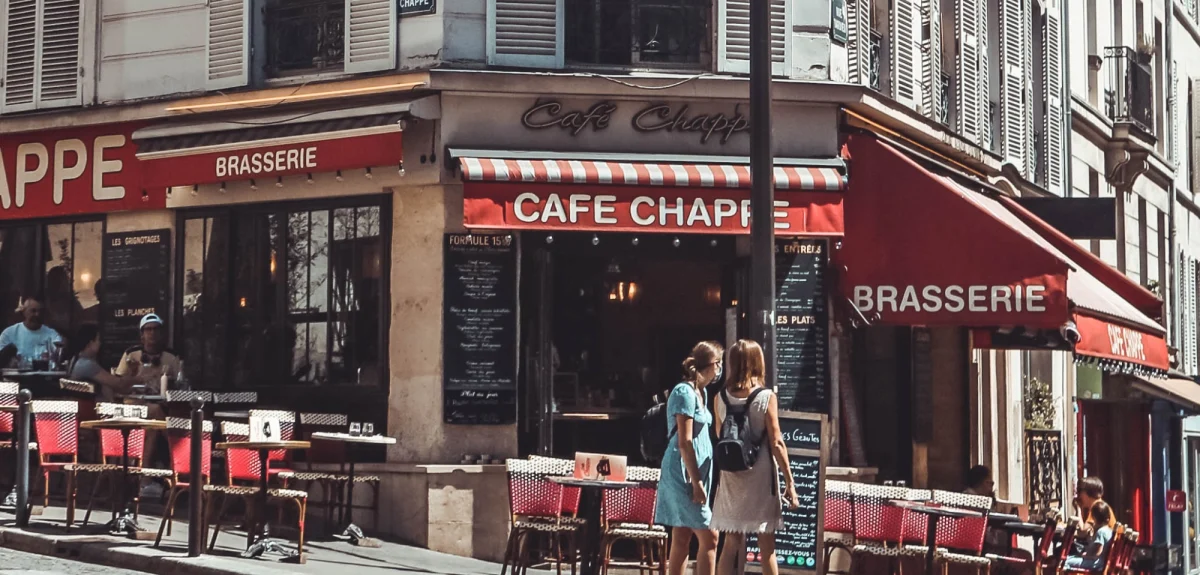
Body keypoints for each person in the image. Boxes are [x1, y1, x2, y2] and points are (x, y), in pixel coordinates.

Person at [711, 340, 799, 575]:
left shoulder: (719, 397)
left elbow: (720, 434)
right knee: (766, 546)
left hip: (731, 477)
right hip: (759, 477)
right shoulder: (766, 397)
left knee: (731, 543)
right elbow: (777, 441)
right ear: (757, 363)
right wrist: (790, 481)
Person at [656, 341, 722, 575]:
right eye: (718, 363)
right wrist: (697, 482)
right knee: (710, 536)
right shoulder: (684, 392)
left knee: (682, 534)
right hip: (683, 472)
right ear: (709, 364)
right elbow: (685, 441)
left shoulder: (702, 392)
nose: (720, 368)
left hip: (695, 472)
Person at [115, 313, 180, 498]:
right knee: (156, 413)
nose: (152, 334)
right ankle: (174, 459)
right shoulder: (131, 355)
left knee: (159, 420)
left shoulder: (171, 357)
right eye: (148, 330)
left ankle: (149, 477)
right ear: (142, 335)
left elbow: (180, 383)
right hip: (134, 406)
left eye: (156, 329)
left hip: (162, 406)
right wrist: (134, 374)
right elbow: (119, 384)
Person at [62, 324, 138, 401]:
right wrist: (140, 378)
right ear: (91, 343)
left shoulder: (76, 360)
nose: (100, 343)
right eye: (98, 340)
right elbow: (118, 383)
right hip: (93, 409)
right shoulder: (86, 365)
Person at [0, 296, 62, 365]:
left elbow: (59, 356)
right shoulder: (9, 333)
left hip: (45, 375)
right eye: (33, 311)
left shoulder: (52, 334)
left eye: (40, 312)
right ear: (24, 312)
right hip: (16, 375)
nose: (37, 315)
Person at [1072, 476, 1117, 554]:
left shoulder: (1097, 507)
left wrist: (1078, 508)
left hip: (1104, 552)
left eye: (1080, 492)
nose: (1079, 496)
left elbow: (1083, 531)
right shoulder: (1098, 504)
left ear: (1087, 493)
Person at [1064, 501, 1114, 570]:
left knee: (1065, 561)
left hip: (1095, 563)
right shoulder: (1109, 531)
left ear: (1094, 517)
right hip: (1101, 563)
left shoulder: (1100, 532)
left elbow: (1098, 553)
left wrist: (1086, 556)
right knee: (1070, 557)